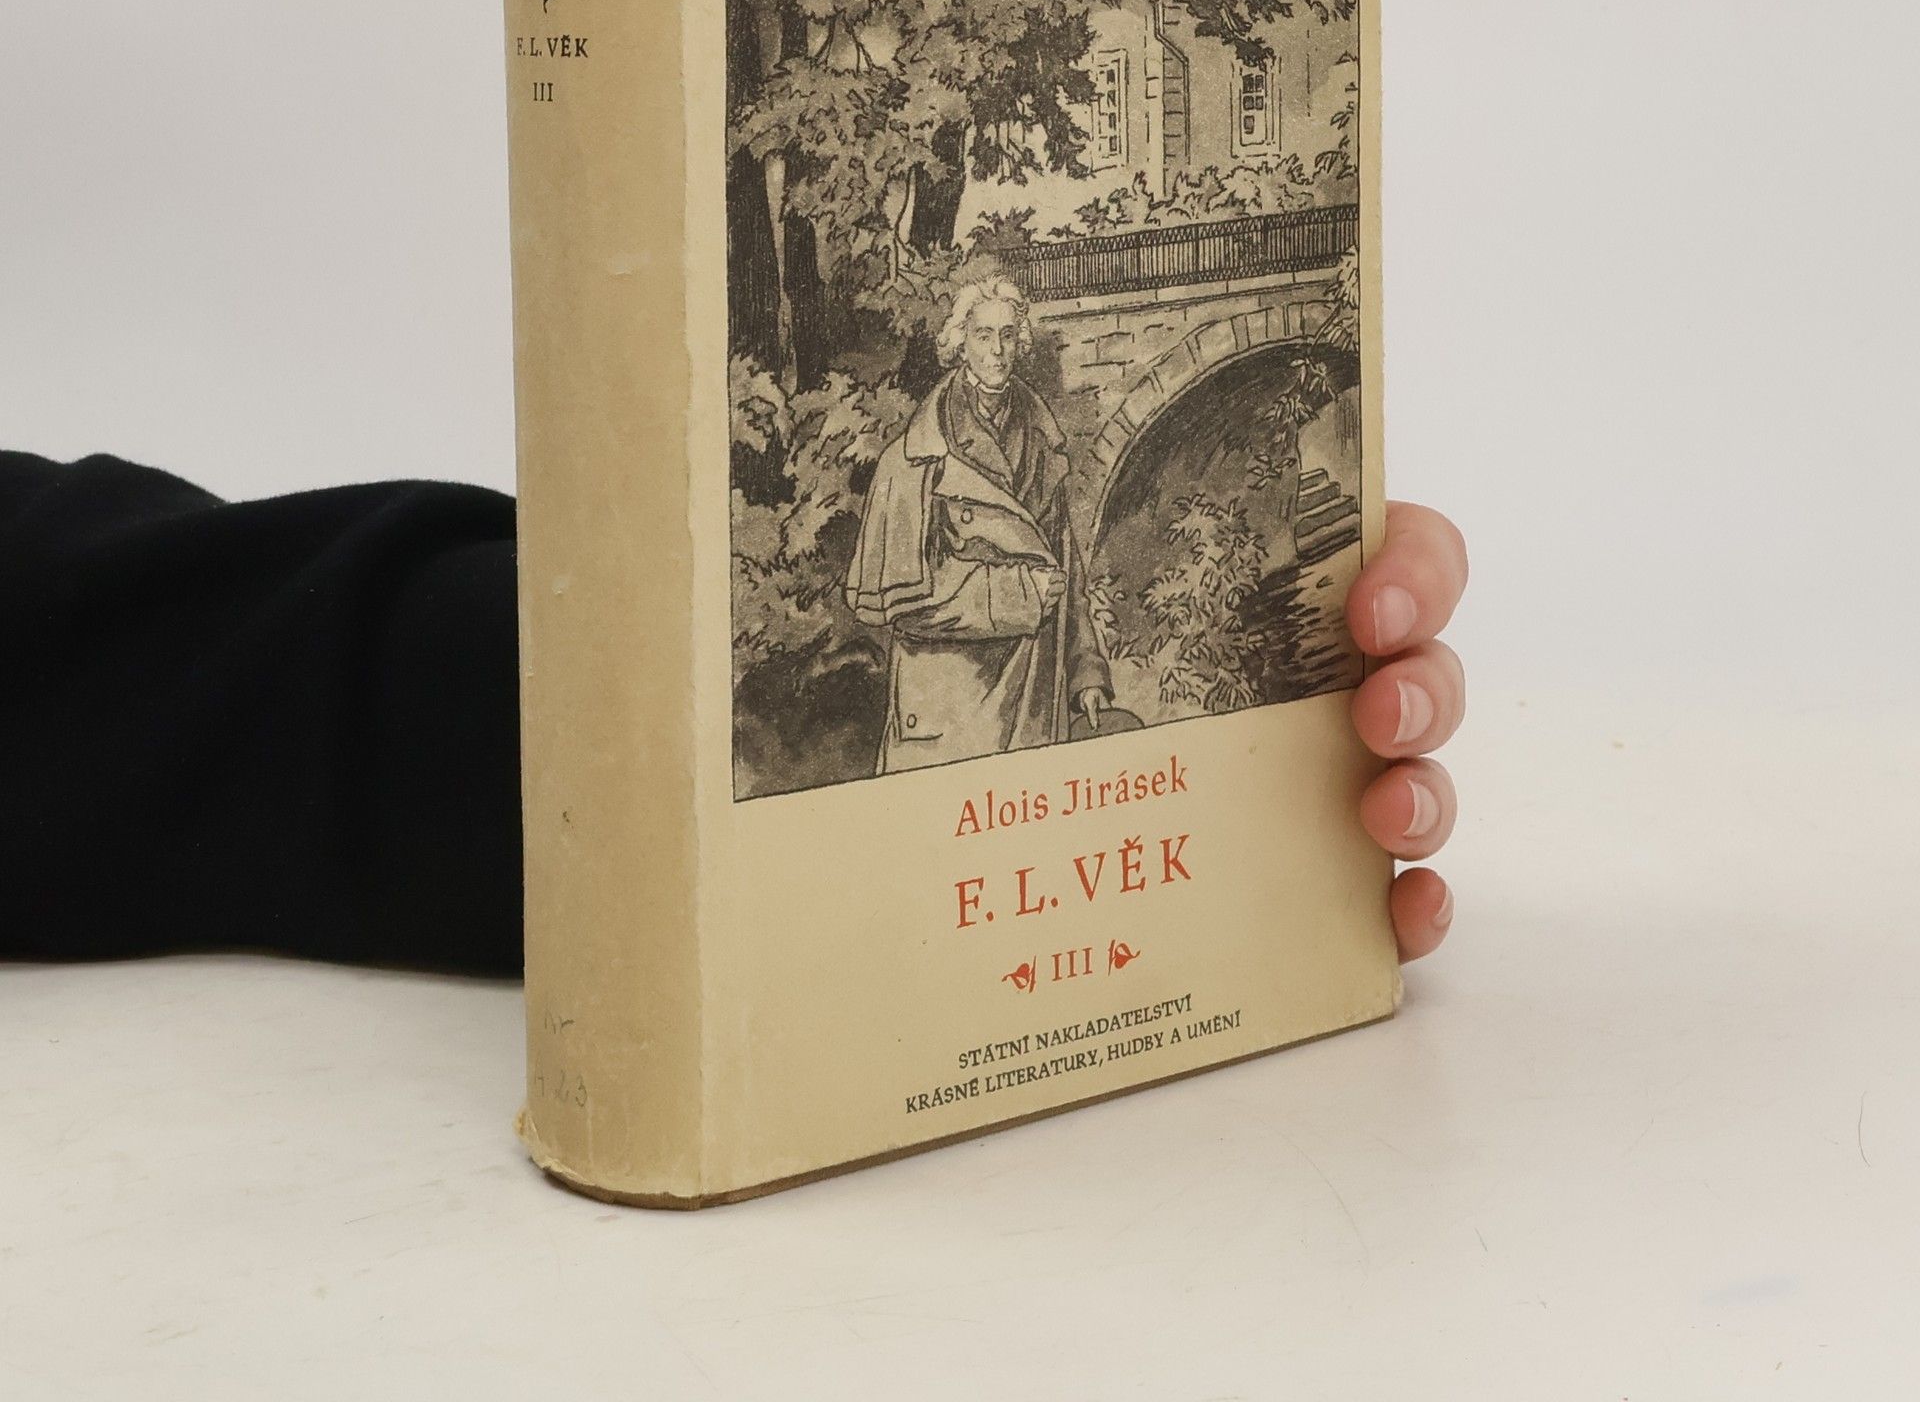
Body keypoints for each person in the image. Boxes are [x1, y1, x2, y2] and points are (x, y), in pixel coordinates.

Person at [0, 448, 1467, 973]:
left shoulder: (1014, 435)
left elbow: (146, 666)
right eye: (987, 336)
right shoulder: (924, 455)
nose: (1001, 356)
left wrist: (633, 696)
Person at [845, 276, 1111, 772]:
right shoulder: (913, 459)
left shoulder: (1041, 440)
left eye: (1008, 335)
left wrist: (1085, 671)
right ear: (959, 344)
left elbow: (1066, 566)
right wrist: (1018, 595)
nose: (997, 351)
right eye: (983, 335)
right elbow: (903, 604)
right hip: (950, 704)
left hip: (1031, 693)